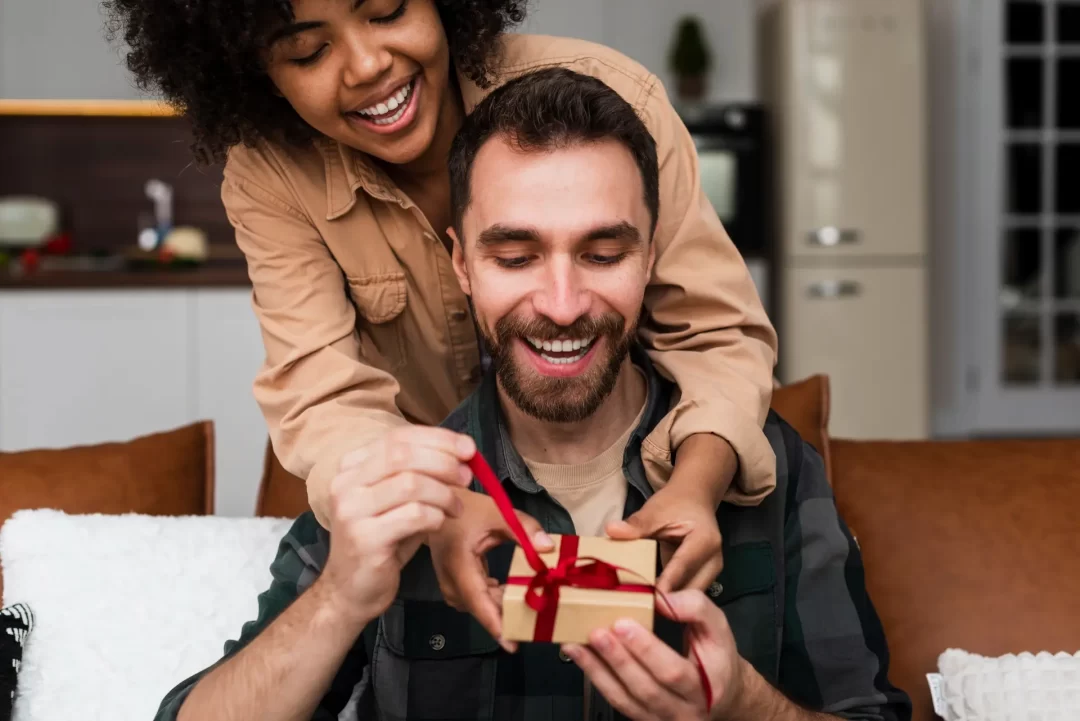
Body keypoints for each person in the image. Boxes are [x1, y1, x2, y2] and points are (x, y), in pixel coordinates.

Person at [154, 68, 910, 721]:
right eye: (515, 256)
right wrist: (342, 594)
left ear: (651, 258)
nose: (561, 302)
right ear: (461, 266)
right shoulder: (401, 479)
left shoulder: (767, 469)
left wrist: (744, 704)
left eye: (604, 252)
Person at [103, 0, 780, 635]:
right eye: (309, 51)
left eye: (388, 11)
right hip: (446, 528)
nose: (368, 64)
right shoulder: (271, 174)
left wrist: (695, 484)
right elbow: (321, 394)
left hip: (630, 500)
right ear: (257, 76)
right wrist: (439, 510)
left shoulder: (606, 99)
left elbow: (716, 332)